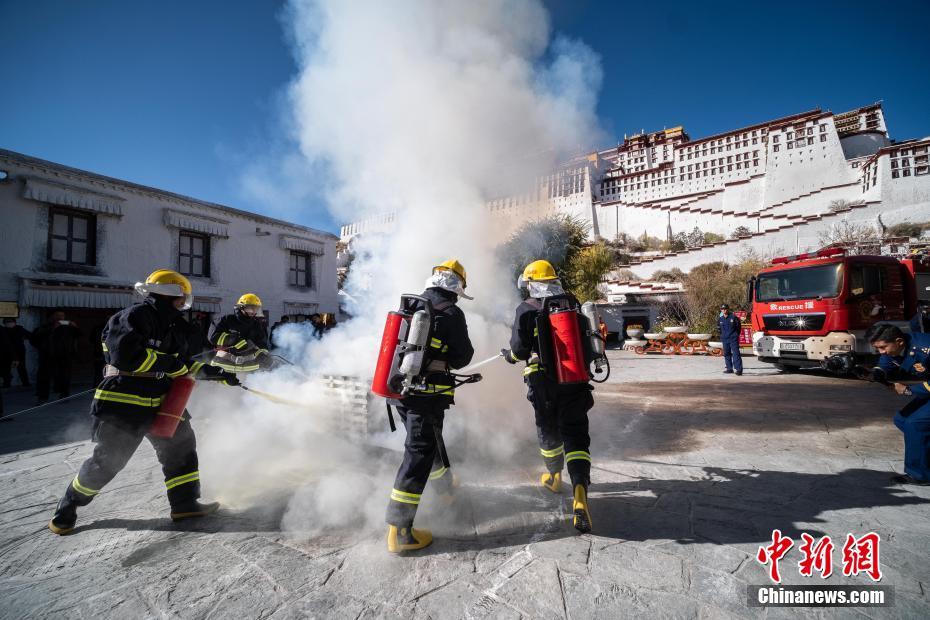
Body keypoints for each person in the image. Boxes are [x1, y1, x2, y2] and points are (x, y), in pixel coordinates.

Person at [47, 269, 232, 535]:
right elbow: (126, 356)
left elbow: (188, 361)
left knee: (181, 451)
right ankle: (68, 506)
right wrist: (172, 364)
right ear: (171, 294)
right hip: (125, 401)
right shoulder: (133, 317)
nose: (184, 301)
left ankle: (185, 504)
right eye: (181, 296)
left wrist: (218, 374)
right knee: (108, 462)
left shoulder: (176, 326)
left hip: (165, 400)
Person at [385, 259, 474, 553]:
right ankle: (400, 531)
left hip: (400, 391)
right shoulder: (451, 312)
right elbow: (462, 357)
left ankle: (444, 489)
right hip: (426, 395)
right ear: (457, 287)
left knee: (427, 443)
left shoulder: (413, 304)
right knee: (418, 454)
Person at [501, 259, 595, 533]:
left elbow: (519, 350)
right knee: (576, 434)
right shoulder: (572, 303)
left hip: (543, 382)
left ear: (530, 283)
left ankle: (554, 477)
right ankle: (580, 492)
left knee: (548, 429)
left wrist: (509, 356)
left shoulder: (526, 308)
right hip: (575, 378)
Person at [867, 323, 930, 485]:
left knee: (914, 424)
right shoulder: (895, 348)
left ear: (899, 341)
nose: (881, 352)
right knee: (902, 419)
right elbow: (886, 362)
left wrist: (908, 390)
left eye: (883, 347)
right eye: (877, 348)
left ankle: (920, 475)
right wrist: (877, 373)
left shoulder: (925, 348)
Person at [208, 294, 271, 374]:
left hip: (248, 368)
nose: (253, 312)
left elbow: (262, 343)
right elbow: (213, 337)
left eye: (256, 309)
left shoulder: (256, 325)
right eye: (250, 308)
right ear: (241, 307)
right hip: (223, 366)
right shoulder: (226, 320)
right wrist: (233, 340)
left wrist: (263, 355)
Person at [31, 310, 81, 403]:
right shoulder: (44, 327)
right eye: (58, 315)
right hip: (47, 356)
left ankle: (64, 395)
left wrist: (75, 327)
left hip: (64, 356)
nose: (60, 317)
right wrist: (53, 328)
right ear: (52, 317)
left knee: (64, 376)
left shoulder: (67, 327)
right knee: (44, 376)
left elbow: (79, 335)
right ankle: (42, 397)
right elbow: (35, 339)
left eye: (62, 315)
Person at [2, 318, 31, 387]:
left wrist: (23, 338)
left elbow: (30, 335)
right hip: (7, 351)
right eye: (7, 322)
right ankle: (6, 383)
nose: (9, 323)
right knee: (6, 368)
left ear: (14, 322)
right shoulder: (3, 330)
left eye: (11, 321)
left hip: (19, 351)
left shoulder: (20, 329)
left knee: (21, 367)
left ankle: (25, 383)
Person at [718, 304, 743, 376]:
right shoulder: (720, 319)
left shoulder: (734, 317)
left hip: (733, 338)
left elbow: (738, 328)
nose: (724, 310)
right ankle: (729, 368)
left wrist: (735, 335)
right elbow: (719, 329)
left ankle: (739, 369)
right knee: (726, 354)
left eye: (725, 309)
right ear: (721, 310)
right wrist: (722, 336)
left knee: (736, 353)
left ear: (728, 309)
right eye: (722, 309)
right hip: (725, 339)